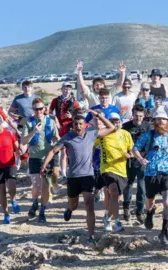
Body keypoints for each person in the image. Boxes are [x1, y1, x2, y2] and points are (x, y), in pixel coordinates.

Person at [41, 112, 115, 243]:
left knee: (89, 205)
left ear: (85, 125)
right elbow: (53, 150)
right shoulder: (67, 137)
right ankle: (69, 209)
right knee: (73, 205)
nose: (78, 126)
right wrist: (44, 165)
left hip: (88, 175)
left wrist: (98, 115)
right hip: (73, 177)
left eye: (81, 124)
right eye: (75, 124)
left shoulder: (91, 134)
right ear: (72, 125)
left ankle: (91, 236)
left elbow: (111, 128)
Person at [132, 108, 168, 245]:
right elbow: (135, 149)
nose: (160, 122)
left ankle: (164, 232)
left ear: (167, 121)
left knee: (167, 203)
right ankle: (149, 213)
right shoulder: (148, 135)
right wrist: (141, 159)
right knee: (149, 202)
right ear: (154, 122)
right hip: (150, 172)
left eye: (163, 119)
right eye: (157, 119)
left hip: (166, 173)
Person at [21, 98, 60, 223]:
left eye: (40, 109)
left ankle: (42, 211)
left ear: (44, 109)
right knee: (36, 185)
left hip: (48, 158)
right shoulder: (29, 122)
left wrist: (57, 141)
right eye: (35, 109)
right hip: (34, 158)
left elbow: (57, 136)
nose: (38, 111)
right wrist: (33, 132)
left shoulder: (50, 122)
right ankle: (34, 202)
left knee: (45, 186)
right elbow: (23, 141)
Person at [100, 113, 134, 232]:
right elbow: (89, 143)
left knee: (116, 198)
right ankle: (117, 221)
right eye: (112, 121)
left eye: (117, 121)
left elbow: (133, 150)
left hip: (122, 171)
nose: (115, 124)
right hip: (107, 169)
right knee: (113, 192)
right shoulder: (103, 134)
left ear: (121, 122)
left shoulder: (126, 134)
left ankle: (107, 217)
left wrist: (129, 155)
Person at [121, 105, 152, 223]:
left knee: (142, 188)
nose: (138, 118)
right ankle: (126, 208)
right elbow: (121, 142)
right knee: (128, 186)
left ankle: (140, 211)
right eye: (135, 116)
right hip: (129, 161)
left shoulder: (148, 127)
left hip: (143, 161)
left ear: (144, 116)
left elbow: (152, 142)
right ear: (132, 115)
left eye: (140, 116)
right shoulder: (126, 127)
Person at [49, 82, 80, 183]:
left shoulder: (74, 101)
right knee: (62, 151)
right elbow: (50, 112)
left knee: (72, 151)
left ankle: (72, 172)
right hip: (59, 128)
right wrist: (55, 120)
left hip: (71, 128)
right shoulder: (55, 100)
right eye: (65, 89)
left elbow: (79, 115)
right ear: (61, 89)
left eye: (69, 89)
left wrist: (72, 117)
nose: (67, 91)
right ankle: (64, 175)